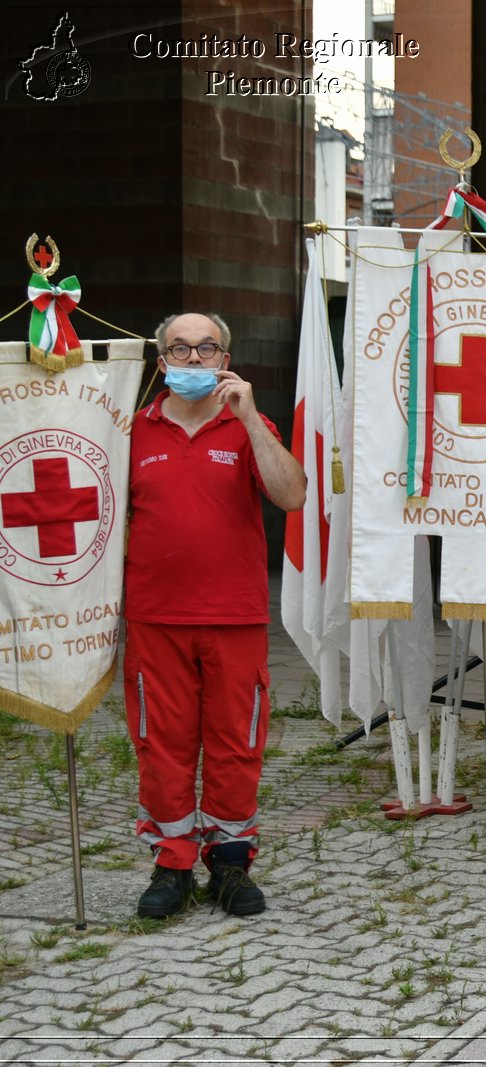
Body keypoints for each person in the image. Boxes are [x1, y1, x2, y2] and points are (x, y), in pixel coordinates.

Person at [124, 312, 307, 918]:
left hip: (234, 616)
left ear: (225, 359)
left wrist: (251, 417)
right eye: (180, 348)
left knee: (235, 741)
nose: (194, 359)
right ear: (161, 363)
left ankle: (230, 862)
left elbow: (293, 494)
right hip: (157, 616)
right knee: (163, 743)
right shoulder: (131, 432)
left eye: (207, 349)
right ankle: (172, 863)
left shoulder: (248, 426)